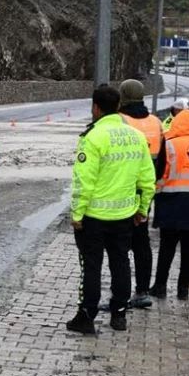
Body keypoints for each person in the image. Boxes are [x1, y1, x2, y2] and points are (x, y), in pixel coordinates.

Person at [67, 86, 156, 335]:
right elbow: (147, 179)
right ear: (117, 106)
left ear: (95, 108)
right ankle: (119, 314)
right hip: (124, 216)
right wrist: (142, 209)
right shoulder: (136, 136)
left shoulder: (93, 137)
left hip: (93, 217)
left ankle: (86, 316)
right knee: (121, 263)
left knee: (91, 267)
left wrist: (77, 214)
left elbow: (84, 181)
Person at [149, 109, 189, 300]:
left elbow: (159, 173)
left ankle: (160, 286)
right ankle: (182, 289)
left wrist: (157, 192)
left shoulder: (169, 143)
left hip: (171, 201)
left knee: (167, 247)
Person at [117, 79, 164, 309]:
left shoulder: (120, 121)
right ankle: (142, 290)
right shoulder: (156, 122)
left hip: (122, 189)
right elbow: (162, 159)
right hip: (146, 190)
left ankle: (120, 293)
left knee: (119, 246)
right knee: (141, 242)